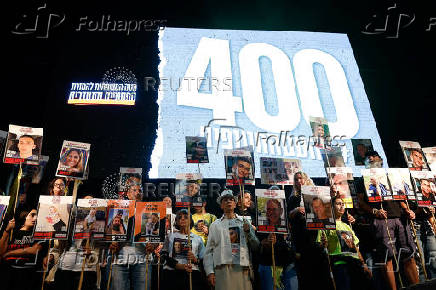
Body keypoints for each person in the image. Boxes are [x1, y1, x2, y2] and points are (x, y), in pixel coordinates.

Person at [358, 191, 419, 290]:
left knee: (409, 255)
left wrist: (407, 210)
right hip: (381, 219)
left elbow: (400, 198)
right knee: (387, 258)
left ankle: (417, 287)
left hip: (401, 218)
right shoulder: (365, 178)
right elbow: (360, 202)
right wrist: (375, 211)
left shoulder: (392, 176)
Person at [203, 189, 260, 290]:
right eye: (225, 200)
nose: (228, 201)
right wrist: (210, 272)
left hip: (242, 269)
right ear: (221, 205)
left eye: (231, 199)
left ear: (235, 204)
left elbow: (256, 246)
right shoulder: (214, 225)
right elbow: (208, 252)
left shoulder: (244, 222)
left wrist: (249, 232)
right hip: (222, 271)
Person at [317, 197, 372, 290]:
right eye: (338, 204)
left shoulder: (347, 226)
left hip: (355, 264)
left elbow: (355, 247)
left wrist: (364, 264)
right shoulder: (325, 224)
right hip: (340, 264)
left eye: (343, 204)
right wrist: (323, 244)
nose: (341, 206)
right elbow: (321, 245)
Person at [109, 183, 154, 290]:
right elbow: (107, 236)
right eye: (134, 190)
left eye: (140, 191)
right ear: (128, 194)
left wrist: (153, 245)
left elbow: (156, 237)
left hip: (142, 260)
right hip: (119, 259)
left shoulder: (150, 211)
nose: (138, 193)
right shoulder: (117, 210)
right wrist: (111, 243)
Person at [161, 209, 206, 290]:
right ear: (176, 221)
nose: (182, 219)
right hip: (171, 273)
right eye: (179, 217)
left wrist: (195, 259)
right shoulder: (170, 236)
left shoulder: (198, 239)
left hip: (192, 273)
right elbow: (163, 255)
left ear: (191, 221)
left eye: (186, 217)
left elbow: (203, 259)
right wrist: (176, 265)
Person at [0, 209, 42, 290]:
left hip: (25, 274)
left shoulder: (37, 234)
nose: (35, 218)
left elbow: (34, 250)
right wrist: (7, 230)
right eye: (32, 215)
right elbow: (1, 251)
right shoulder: (13, 232)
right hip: (7, 273)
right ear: (25, 217)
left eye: (37, 216)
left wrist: (9, 253)